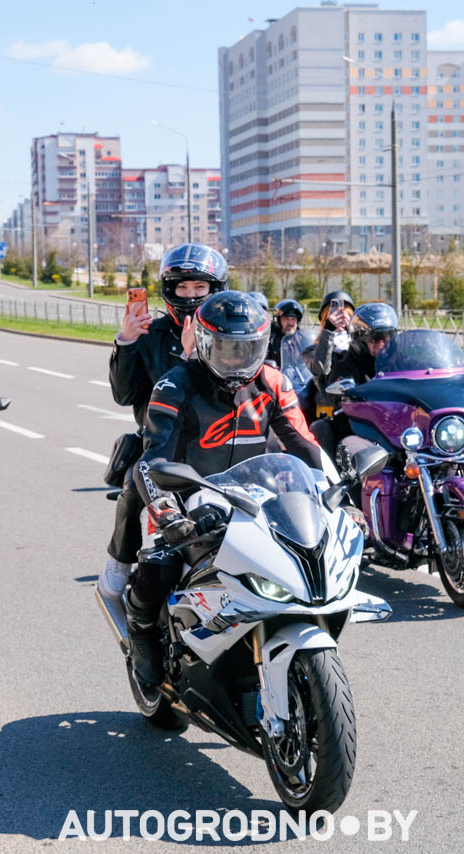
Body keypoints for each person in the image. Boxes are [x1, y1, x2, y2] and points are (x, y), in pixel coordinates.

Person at [125, 290, 323, 686]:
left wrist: (340, 497)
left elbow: (305, 446)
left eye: (247, 349)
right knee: (159, 564)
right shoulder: (173, 385)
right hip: (182, 493)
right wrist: (167, 513)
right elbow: (150, 461)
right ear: (203, 343)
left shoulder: (273, 381)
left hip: (254, 491)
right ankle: (141, 633)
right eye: (226, 348)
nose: (237, 359)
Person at [97, 243, 229, 605]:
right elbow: (124, 395)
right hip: (161, 443)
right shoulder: (150, 333)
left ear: (215, 288)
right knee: (133, 483)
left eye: (199, 286)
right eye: (181, 287)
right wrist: (127, 341)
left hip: (218, 441)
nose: (190, 295)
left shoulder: (227, 331)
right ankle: (119, 561)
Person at [307, 301, 399, 453]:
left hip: (400, 424)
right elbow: (329, 377)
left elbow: (422, 370)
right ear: (359, 338)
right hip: (362, 428)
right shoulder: (347, 365)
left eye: (387, 336)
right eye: (375, 338)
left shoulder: (400, 361)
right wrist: (347, 395)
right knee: (350, 447)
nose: (382, 342)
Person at [267, 298, 315, 414]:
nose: (290, 323)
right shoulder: (271, 338)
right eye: (286, 319)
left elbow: (310, 361)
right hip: (277, 383)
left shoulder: (303, 337)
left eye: (293, 319)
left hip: (300, 382)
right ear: (278, 320)